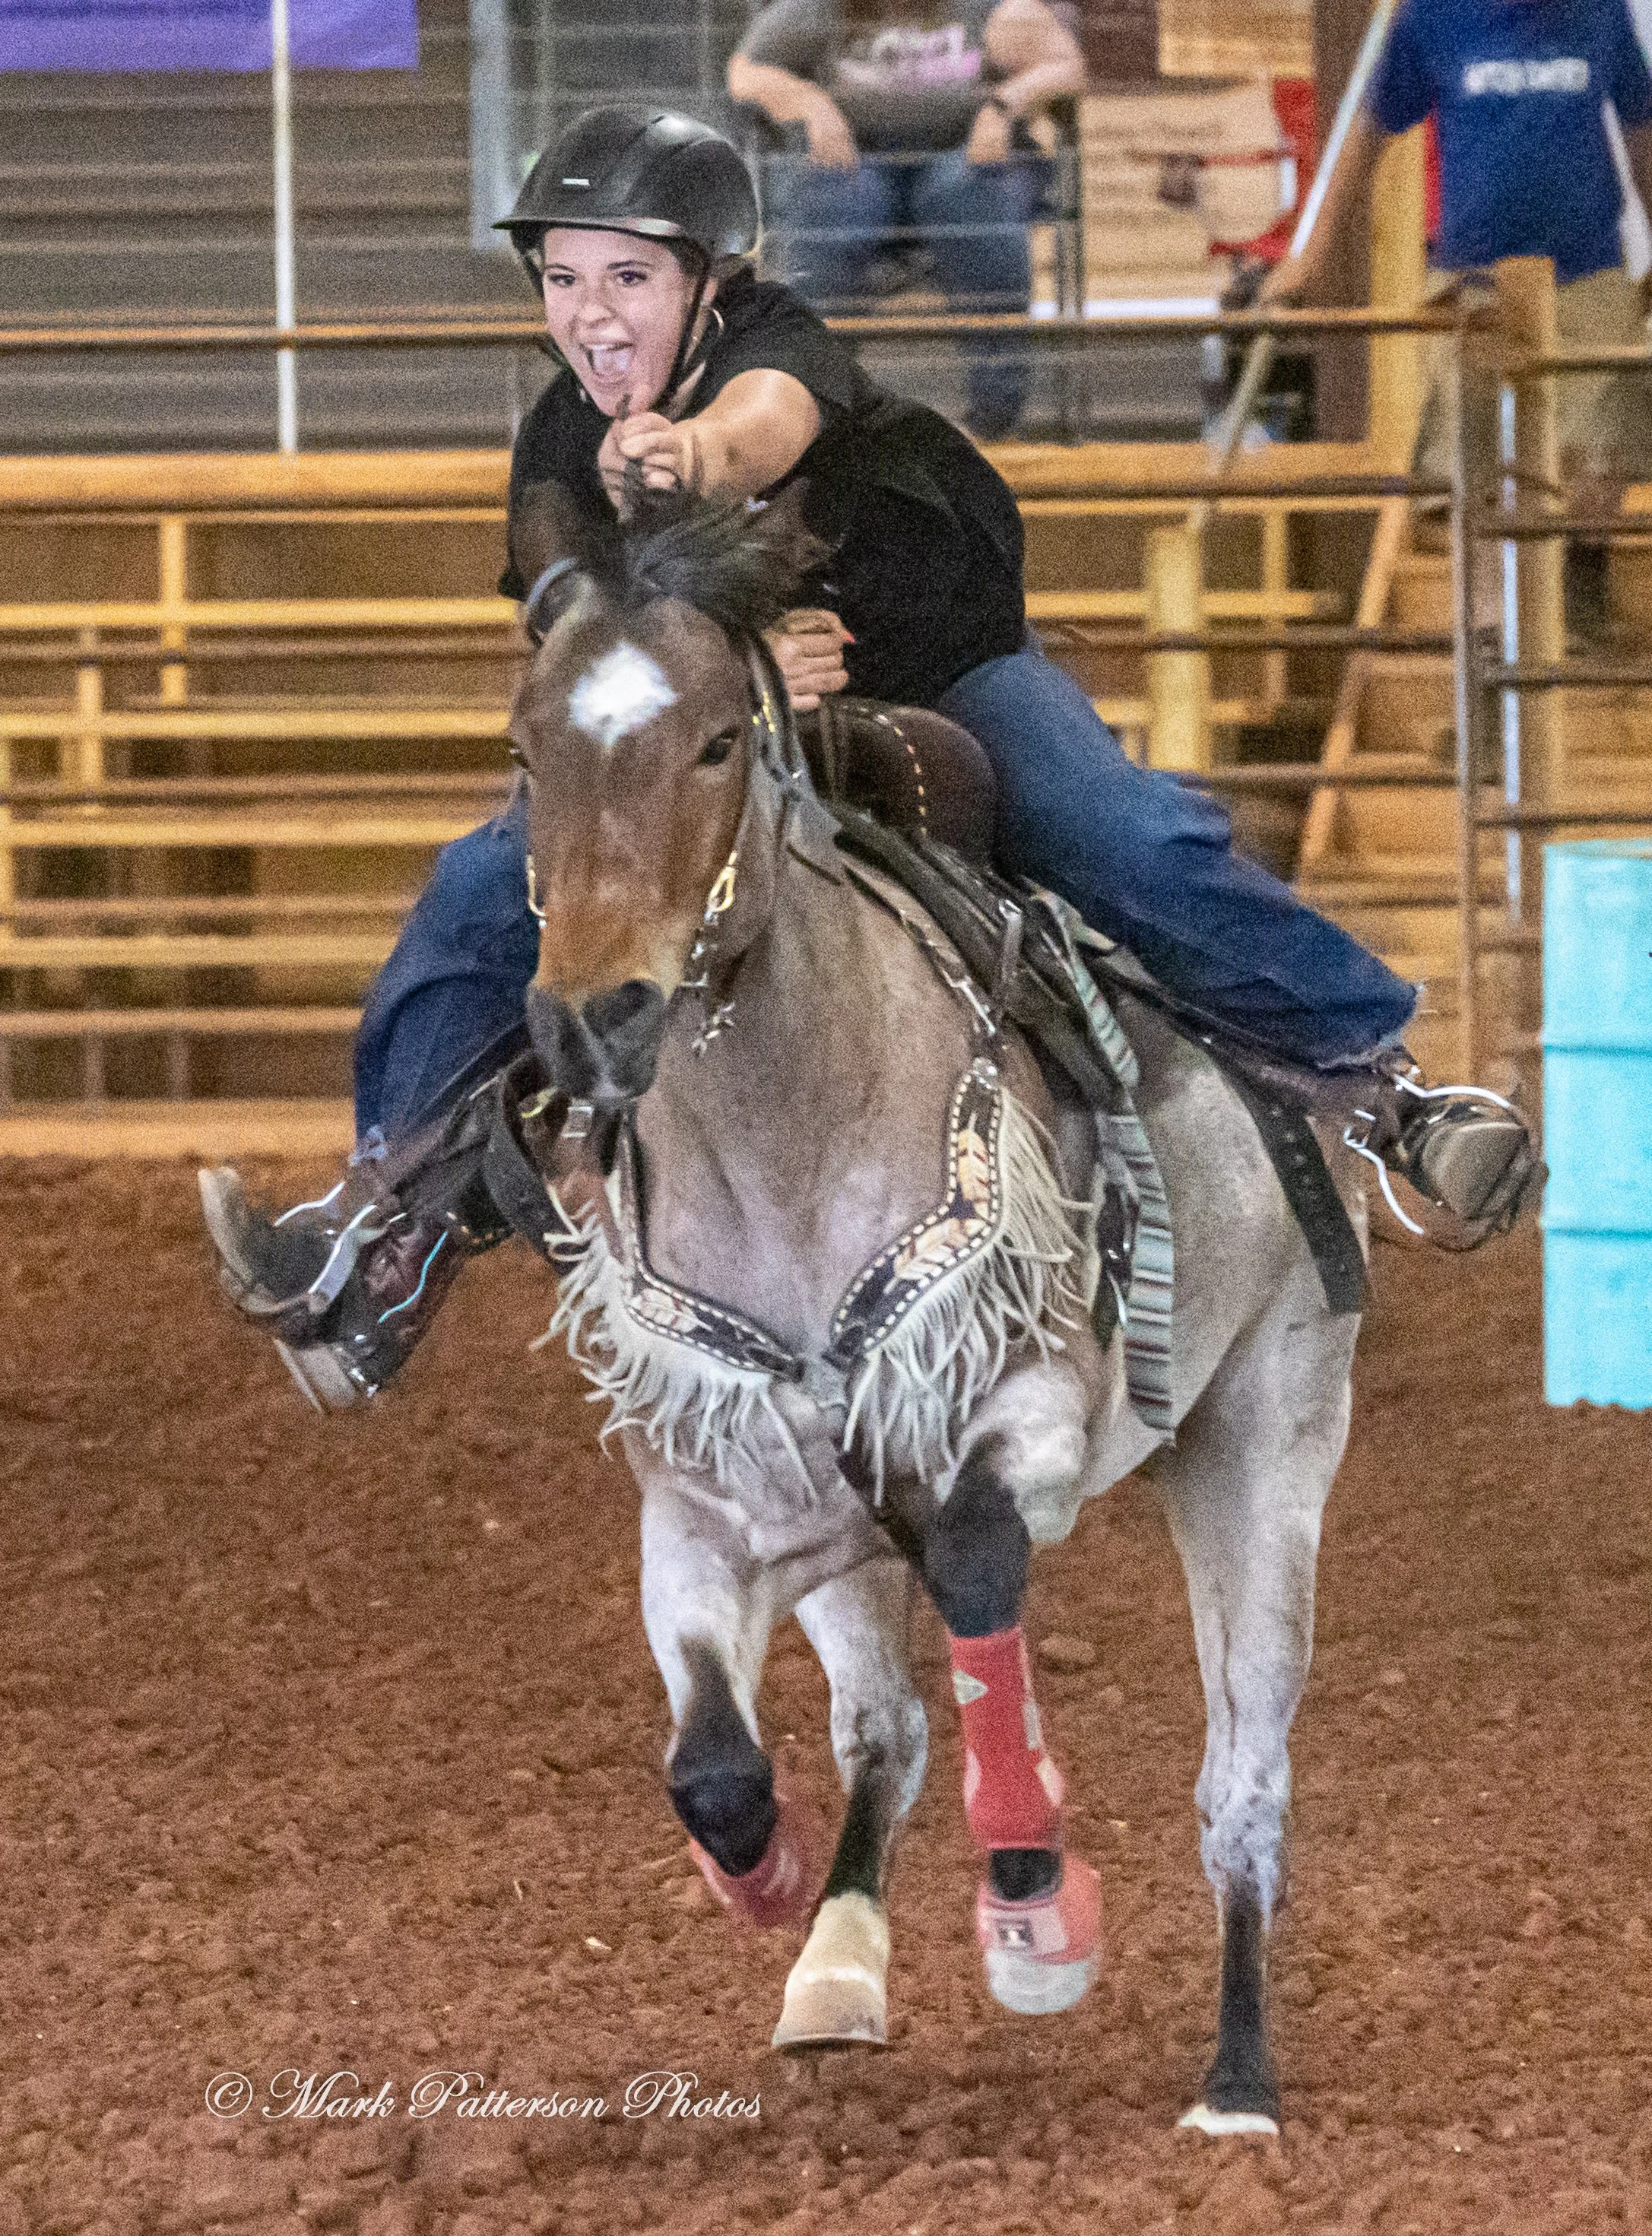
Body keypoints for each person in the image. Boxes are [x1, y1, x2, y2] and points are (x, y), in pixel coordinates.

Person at [201, 106, 1536, 1410]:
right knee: (481, 892)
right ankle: (384, 1222)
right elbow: (575, 641)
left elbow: (763, 427)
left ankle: (1388, 1092)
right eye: (561, 277)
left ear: (708, 282)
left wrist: (687, 454)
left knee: (1114, 827)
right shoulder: (554, 439)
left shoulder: (776, 349)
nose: (589, 311)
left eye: (625, 275)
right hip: (719, 712)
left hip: (935, 664)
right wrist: (735, 678)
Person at [1262, 0, 1652, 637]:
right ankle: (1490, 635)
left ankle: (1581, 568)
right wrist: (1310, 255)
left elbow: (1642, 136)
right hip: (1475, 277)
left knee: (1606, 433)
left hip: (1586, 267)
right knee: (1473, 459)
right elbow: (1366, 133)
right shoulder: (1432, 18)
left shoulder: (1599, 14)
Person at [728, 0, 1086, 437]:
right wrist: (810, 101)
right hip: (856, 156)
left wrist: (1004, 104)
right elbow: (744, 73)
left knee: (978, 205)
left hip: (962, 152)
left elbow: (1067, 67)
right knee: (831, 214)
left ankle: (994, 419)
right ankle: (815, 407)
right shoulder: (816, 9)